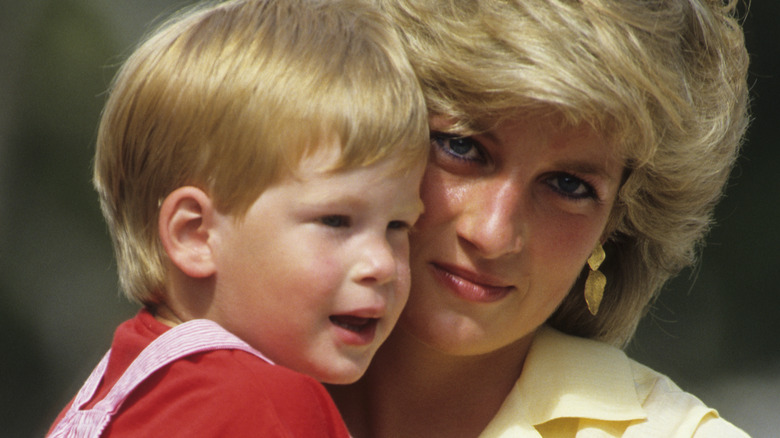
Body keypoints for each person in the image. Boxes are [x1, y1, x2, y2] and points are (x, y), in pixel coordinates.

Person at [327, 0, 751, 436]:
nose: (492, 234)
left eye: (568, 185)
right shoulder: (255, 355)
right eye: (460, 146)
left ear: (616, 224)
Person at [46, 0, 428, 436]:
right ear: (196, 234)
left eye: (398, 227)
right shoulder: (264, 405)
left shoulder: (117, 393)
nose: (381, 264)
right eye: (336, 221)